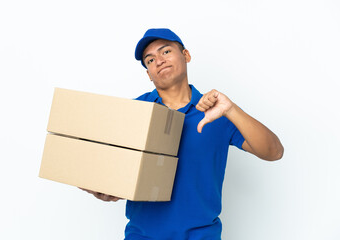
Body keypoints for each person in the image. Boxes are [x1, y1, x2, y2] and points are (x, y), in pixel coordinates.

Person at [82, 28, 284, 239]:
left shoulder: (216, 112)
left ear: (186, 55)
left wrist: (231, 109)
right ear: (148, 74)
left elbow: (274, 152)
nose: (158, 61)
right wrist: (105, 188)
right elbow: (109, 169)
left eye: (166, 52)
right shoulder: (134, 112)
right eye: (149, 60)